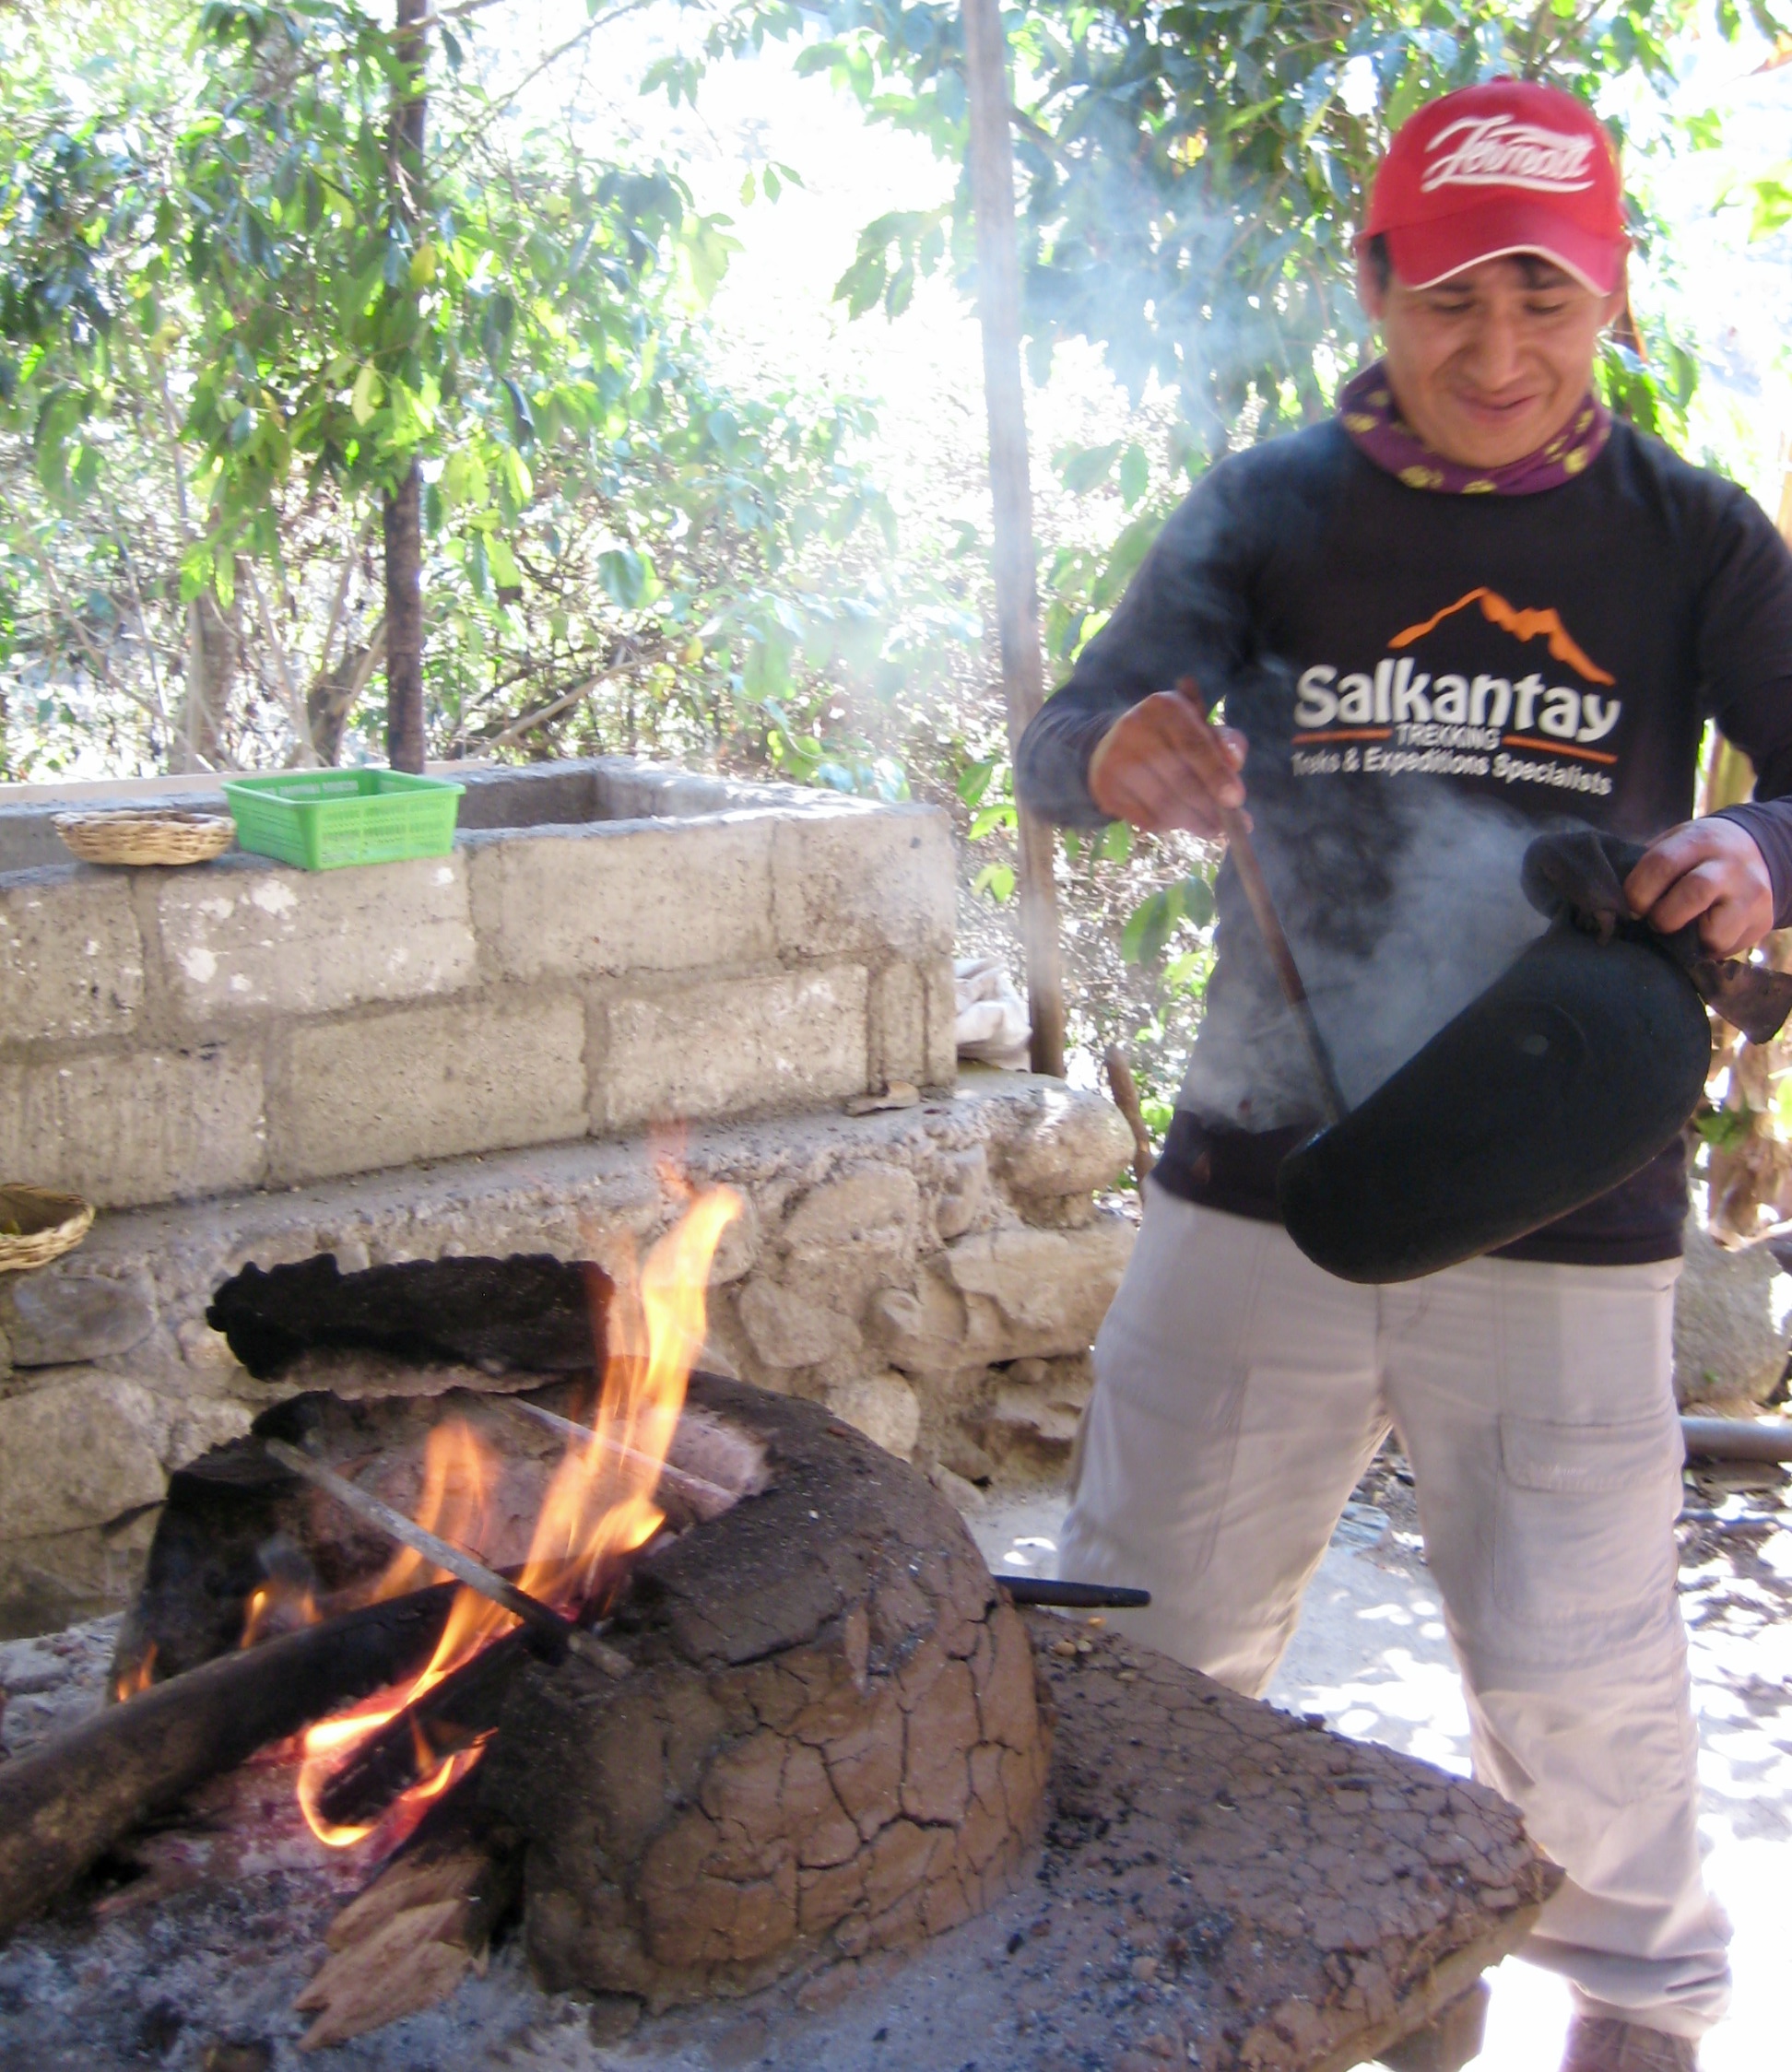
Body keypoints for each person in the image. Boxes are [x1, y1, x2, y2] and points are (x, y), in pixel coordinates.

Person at [1016, 77, 1792, 2072]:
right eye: (1451, 299)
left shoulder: (1696, 539)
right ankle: (1158, 1980)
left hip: (1567, 1188)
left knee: (1581, 1669)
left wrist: (1755, 849)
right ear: (1374, 286)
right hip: (1256, 1171)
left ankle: (1633, 2012)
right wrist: (1119, 751)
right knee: (1150, 1625)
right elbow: (1071, 733)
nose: (1499, 350)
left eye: (1546, 300)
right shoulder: (1269, 508)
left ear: (1613, 300)